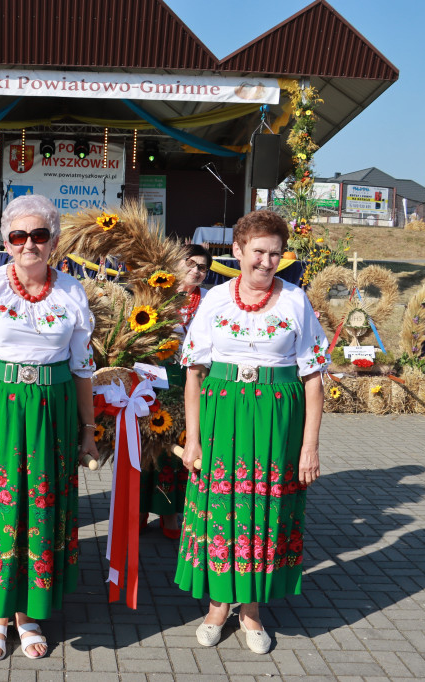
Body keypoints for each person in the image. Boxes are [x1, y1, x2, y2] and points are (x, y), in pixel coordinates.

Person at [0, 194, 99, 661]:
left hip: (51, 412)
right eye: (19, 236)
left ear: (55, 242)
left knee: (39, 510)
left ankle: (29, 614)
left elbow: (83, 366)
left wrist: (88, 429)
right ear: (7, 240)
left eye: (40, 236)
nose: (29, 245)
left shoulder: (72, 291)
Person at [175, 210, 327, 655]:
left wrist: (310, 446)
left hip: (278, 420)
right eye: (258, 252)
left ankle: (253, 610)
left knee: (264, 513)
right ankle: (218, 606)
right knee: (223, 509)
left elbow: (314, 377)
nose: (266, 262)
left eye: (275, 254)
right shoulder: (215, 299)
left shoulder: (296, 300)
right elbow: (194, 375)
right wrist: (194, 438)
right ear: (238, 251)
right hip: (223, 416)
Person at [140, 243, 213, 539]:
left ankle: (171, 512)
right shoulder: (156, 294)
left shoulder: (211, 301)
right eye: (190, 263)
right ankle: (139, 509)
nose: (196, 270)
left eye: (203, 267)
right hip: (153, 378)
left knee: (178, 446)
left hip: (191, 381)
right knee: (147, 444)